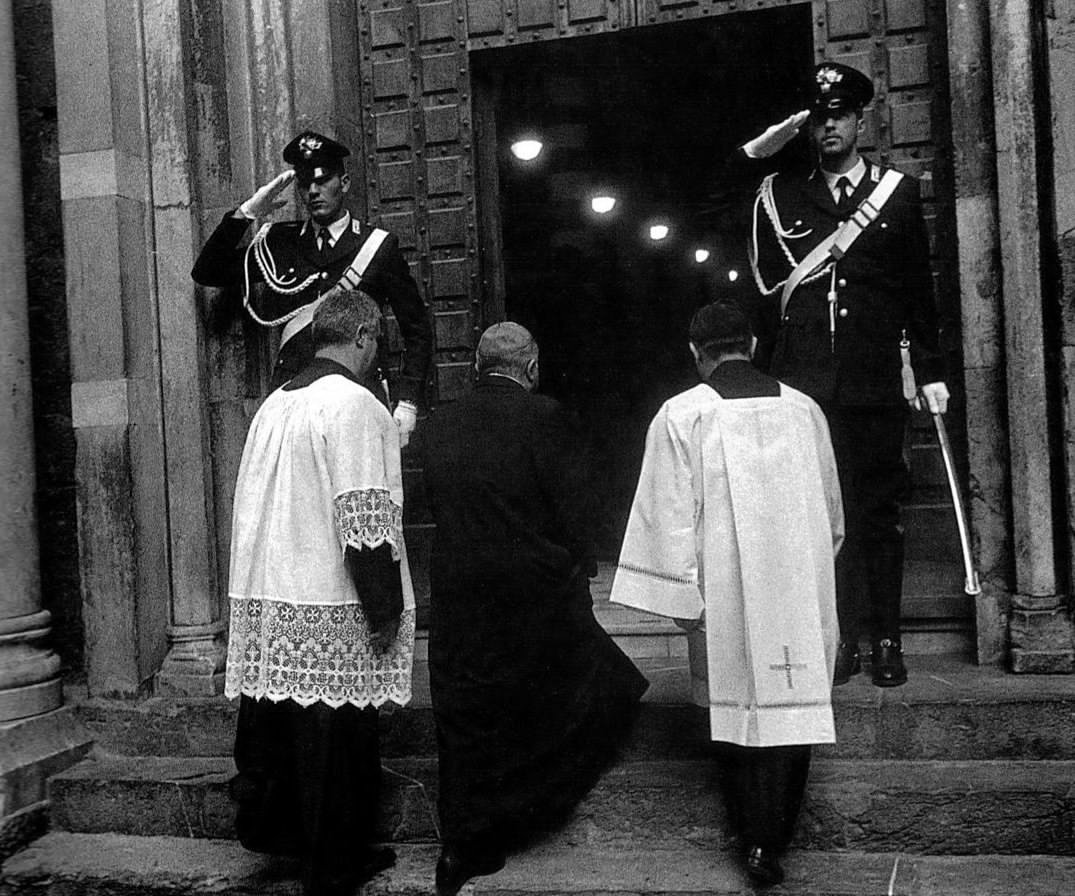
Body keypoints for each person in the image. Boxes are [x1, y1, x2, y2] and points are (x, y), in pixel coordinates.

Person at [610, 300, 843, 888]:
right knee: (792, 710)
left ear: (695, 353)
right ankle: (773, 840)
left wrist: (685, 600)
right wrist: (804, 572)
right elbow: (833, 516)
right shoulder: (805, 411)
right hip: (796, 587)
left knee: (735, 712)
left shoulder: (681, 414)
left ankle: (753, 839)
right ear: (754, 345)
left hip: (726, 595)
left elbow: (667, 517)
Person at [730, 62, 949, 686]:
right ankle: (840, 637)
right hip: (806, 388)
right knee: (822, 518)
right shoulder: (781, 193)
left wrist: (928, 368)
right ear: (807, 128)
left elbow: (917, 290)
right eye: (819, 118)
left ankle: (885, 638)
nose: (830, 126)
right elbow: (713, 198)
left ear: (860, 120)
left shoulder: (896, 194)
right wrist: (756, 150)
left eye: (840, 116)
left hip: (875, 381)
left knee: (876, 513)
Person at [417, 322, 648, 896]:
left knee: (465, 713)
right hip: (533, 595)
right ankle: (530, 813)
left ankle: (461, 847)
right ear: (533, 367)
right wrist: (580, 564)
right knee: (573, 695)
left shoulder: (438, 425)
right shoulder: (547, 418)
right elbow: (575, 510)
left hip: (461, 594)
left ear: (476, 366)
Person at [224, 289, 416, 896]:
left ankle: (308, 847)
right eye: (376, 343)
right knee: (335, 738)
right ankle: (332, 867)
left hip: (273, 591)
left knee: (290, 730)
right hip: (331, 595)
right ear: (361, 337)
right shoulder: (355, 406)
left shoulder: (275, 404)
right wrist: (383, 608)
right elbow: (363, 517)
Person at [192, 129, 433, 445]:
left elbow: (416, 329)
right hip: (295, 402)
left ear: (343, 183)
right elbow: (208, 271)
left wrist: (408, 401)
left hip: (359, 398)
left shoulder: (377, 247)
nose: (314, 191)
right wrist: (246, 213)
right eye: (305, 184)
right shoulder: (279, 243)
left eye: (322, 181)